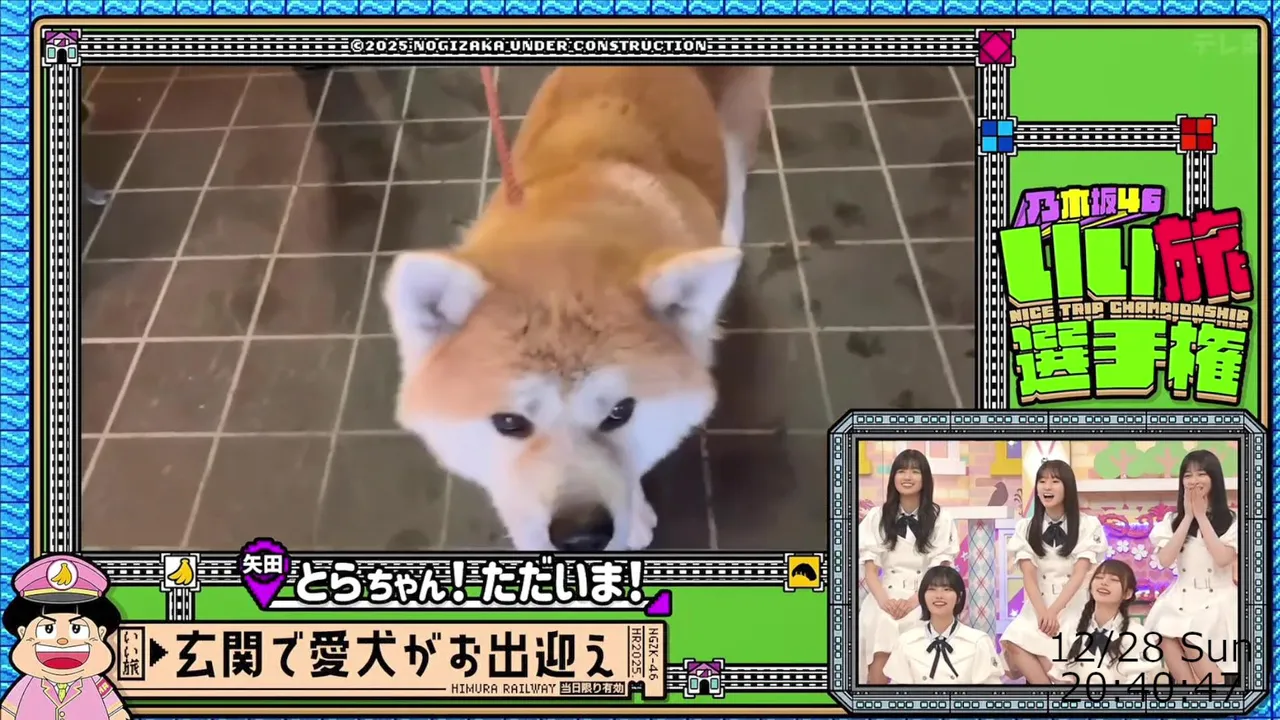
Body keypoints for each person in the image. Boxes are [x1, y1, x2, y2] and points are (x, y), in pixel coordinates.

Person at [1000, 459, 1108, 684]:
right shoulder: (1025, 527)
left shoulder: (1088, 525)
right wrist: (1043, 613)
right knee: (1013, 640)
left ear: (1068, 487)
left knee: (1060, 670)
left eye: (1055, 481)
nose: (1047, 487)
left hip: (1073, 605)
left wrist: (1054, 612)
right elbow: (1029, 576)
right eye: (1042, 481)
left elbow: (1079, 575)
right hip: (1038, 605)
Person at [858, 449, 959, 684]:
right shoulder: (876, 516)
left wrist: (914, 601)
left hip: (925, 596)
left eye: (915, 471)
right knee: (882, 627)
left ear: (925, 478)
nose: (907, 476)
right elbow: (870, 570)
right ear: (893, 477)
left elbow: (940, 571)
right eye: (901, 471)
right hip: (885, 597)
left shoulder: (941, 518)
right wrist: (886, 603)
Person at [1146, 449, 1238, 684]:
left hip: (1218, 598)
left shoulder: (1232, 520)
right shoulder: (1172, 521)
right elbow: (1165, 560)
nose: (1194, 480)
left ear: (1214, 478)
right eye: (1188, 475)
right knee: (1165, 633)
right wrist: (1188, 517)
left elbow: (1223, 558)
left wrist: (1202, 516)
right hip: (1182, 595)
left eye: (1201, 474)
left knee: (1190, 637)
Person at [1, 554, 130, 720]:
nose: (63, 641)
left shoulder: (98, 685)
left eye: (77, 629)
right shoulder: (25, 686)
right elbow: (7, 713)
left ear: (101, 633)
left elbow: (117, 713)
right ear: (22, 633)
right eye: (48, 629)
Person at [883, 565, 1002, 684]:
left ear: (959, 597)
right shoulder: (906, 642)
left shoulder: (978, 642)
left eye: (947, 589)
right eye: (932, 589)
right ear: (923, 597)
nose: (939, 595)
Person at [1049, 559, 1161, 685]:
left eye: (1114, 580)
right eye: (1099, 577)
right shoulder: (1072, 627)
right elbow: (1060, 679)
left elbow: (1137, 684)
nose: (1104, 582)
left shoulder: (1136, 634)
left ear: (1127, 594)